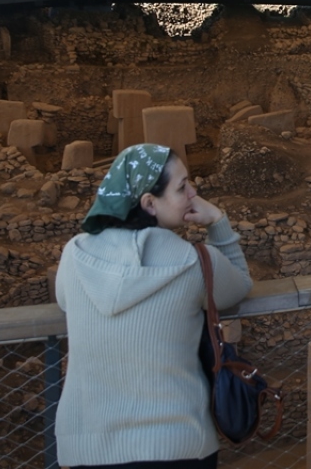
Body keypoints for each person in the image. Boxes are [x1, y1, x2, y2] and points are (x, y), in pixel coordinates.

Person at [55, 143, 253, 469]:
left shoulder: (75, 255)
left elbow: (65, 300)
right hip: (176, 446)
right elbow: (241, 284)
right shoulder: (195, 262)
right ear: (149, 203)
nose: (193, 192)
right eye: (182, 187)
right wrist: (217, 220)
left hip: (85, 450)